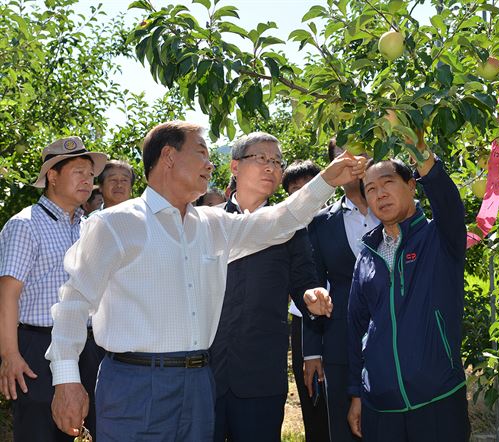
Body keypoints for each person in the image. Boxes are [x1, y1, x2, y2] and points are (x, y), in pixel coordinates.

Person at [45, 121, 366, 441]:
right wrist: (66, 380)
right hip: (137, 384)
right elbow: (73, 303)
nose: (210, 164)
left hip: (199, 383)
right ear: (169, 157)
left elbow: (279, 222)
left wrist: (326, 181)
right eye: (201, 153)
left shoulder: (211, 226)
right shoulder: (115, 225)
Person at [346, 150, 470, 441]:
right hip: (380, 404)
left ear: (412, 185)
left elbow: (448, 203)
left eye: (388, 183)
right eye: (371, 189)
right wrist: (356, 393)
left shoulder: (440, 237)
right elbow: (355, 327)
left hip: (438, 396)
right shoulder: (367, 256)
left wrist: (421, 152)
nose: (380, 194)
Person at [210, 137, 326, 442]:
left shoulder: (289, 227)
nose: (271, 167)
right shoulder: (207, 221)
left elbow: (304, 279)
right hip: (206, 370)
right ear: (235, 166)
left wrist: (311, 296)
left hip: (260, 371)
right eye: (261, 158)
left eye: (277, 161)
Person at [0, 136, 108, 441]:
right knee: (41, 431)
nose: (87, 180)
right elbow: (7, 294)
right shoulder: (26, 224)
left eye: (90, 174)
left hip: (89, 346)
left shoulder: (89, 225)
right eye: (78, 172)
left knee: (91, 430)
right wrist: (9, 354)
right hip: (38, 347)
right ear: (52, 175)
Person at [304, 140, 379, 442]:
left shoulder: (394, 209)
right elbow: (313, 285)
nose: (353, 160)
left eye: (361, 151)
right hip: (340, 339)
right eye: (343, 155)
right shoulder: (322, 223)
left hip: (394, 336)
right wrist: (312, 350)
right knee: (343, 424)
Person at [282, 160, 331, 442]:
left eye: (309, 188)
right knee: (313, 397)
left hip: (339, 320)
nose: (302, 195)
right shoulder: (285, 228)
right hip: (303, 324)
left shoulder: (337, 221)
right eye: (294, 190)